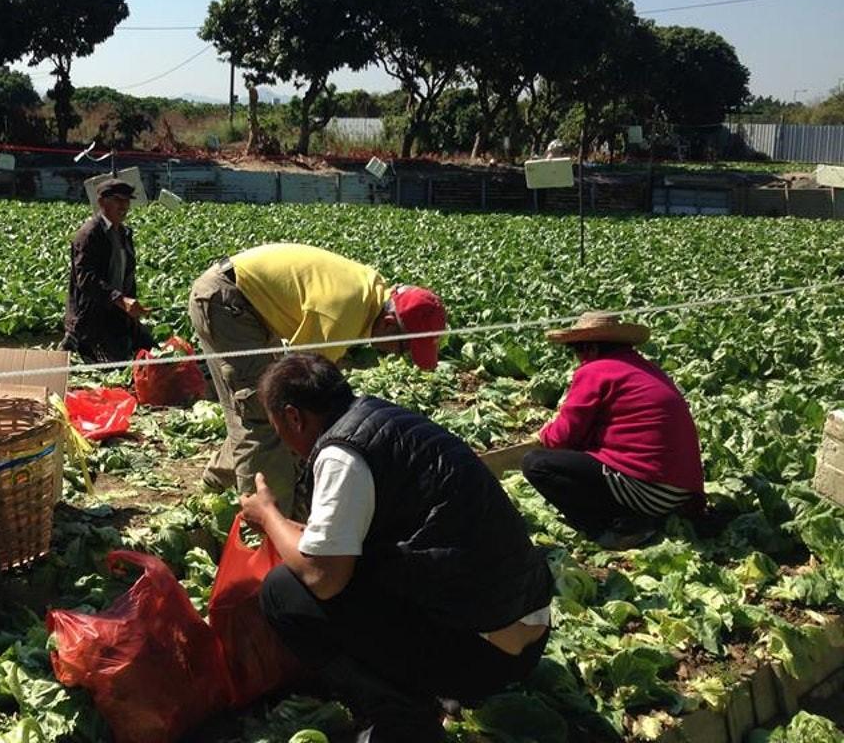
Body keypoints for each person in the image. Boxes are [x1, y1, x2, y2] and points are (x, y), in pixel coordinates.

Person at [241, 355, 553, 743]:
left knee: (283, 590)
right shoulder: (378, 419)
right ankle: (435, 688)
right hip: (523, 630)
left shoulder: (342, 454)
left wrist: (269, 514)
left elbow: (324, 577)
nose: (285, 444)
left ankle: (401, 716)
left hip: (486, 652)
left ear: (293, 417)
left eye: (277, 429)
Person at [189, 242, 445, 512]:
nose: (397, 356)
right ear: (389, 324)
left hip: (249, 304)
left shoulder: (370, 296)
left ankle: (214, 483)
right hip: (228, 303)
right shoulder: (342, 316)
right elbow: (290, 388)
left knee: (270, 410)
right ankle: (265, 527)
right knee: (264, 412)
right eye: (404, 348)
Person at [521, 311, 705, 549]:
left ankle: (618, 529)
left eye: (576, 350)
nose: (577, 358)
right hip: (680, 493)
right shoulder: (642, 368)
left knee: (537, 464)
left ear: (592, 349)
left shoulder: (596, 370)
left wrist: (542, 434)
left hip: (650, 490)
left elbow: (562, 437)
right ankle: (639, 517)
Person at [62, 177, 154, 362]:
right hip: (93, 319)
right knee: (117, 368)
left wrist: (132, 307)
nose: (124, 206)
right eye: (118, 200)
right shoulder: (89, 234)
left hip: (119, 316)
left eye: (127, 201)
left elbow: (126, 274)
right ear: (102, 202)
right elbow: (86, 279)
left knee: (154, 354)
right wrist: (120, 300)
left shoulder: (124, 233)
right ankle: (75, 342)